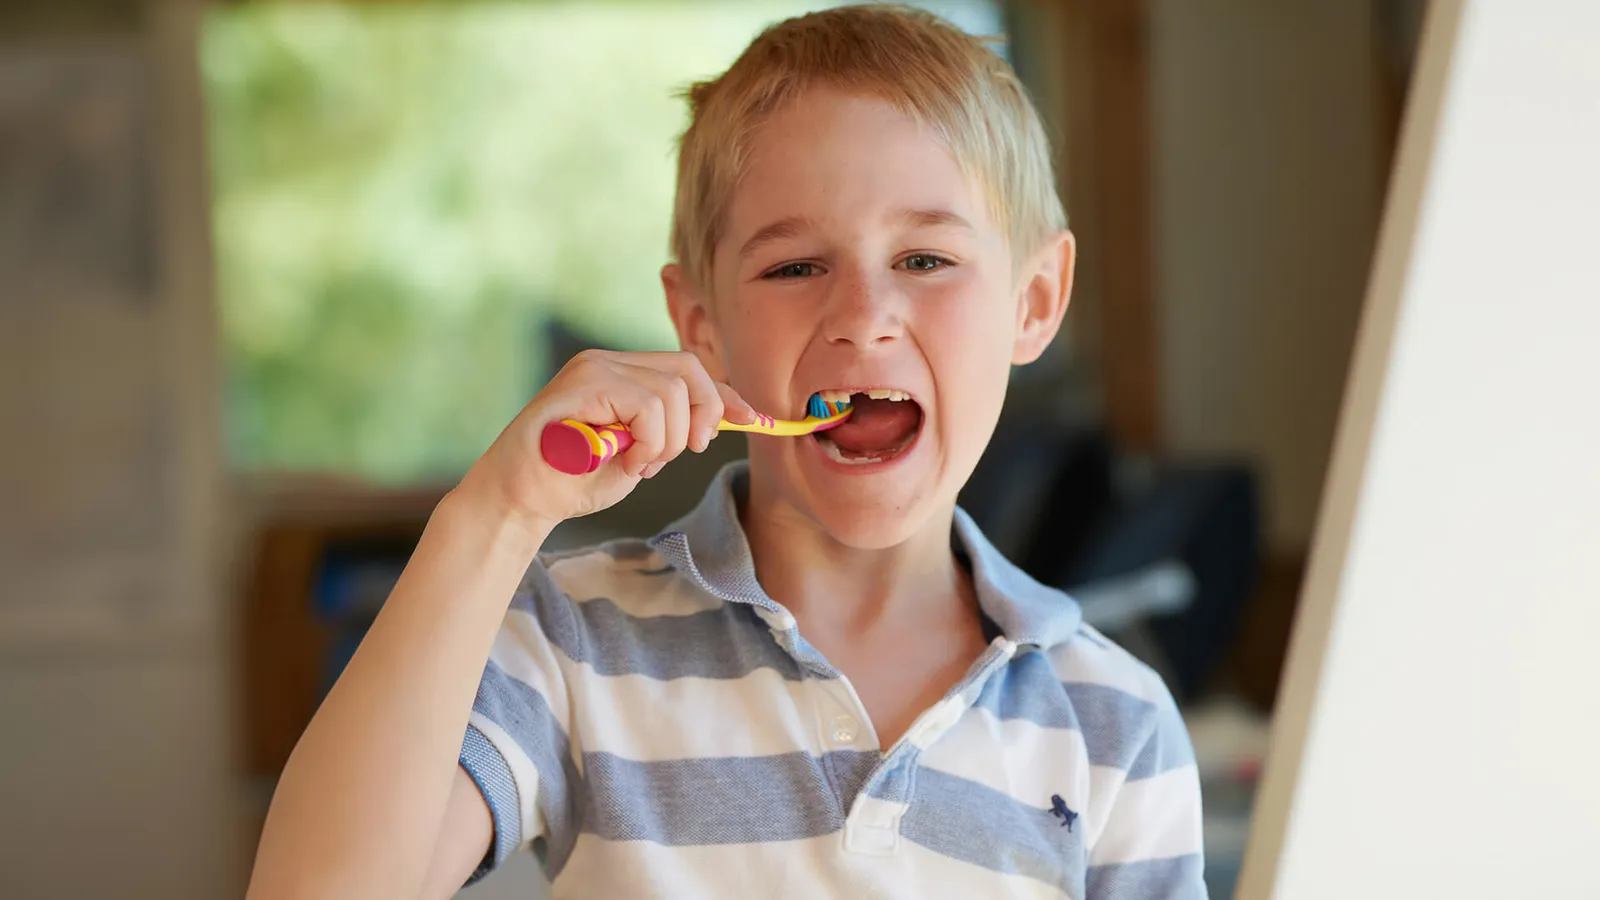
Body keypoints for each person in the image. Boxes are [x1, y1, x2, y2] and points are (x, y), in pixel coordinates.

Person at [246, 5, 1206, 898]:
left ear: (1034, 301)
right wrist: (494, 514)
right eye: (795, 266)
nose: (864, 319)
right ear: (700, 324)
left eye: (925, 259)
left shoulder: (1114, 723)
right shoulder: (571, 643)